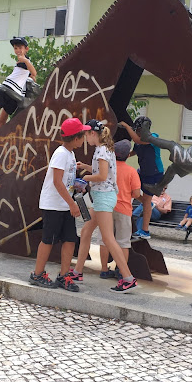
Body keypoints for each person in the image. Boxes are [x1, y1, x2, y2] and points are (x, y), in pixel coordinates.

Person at [72, 120, 138, 293]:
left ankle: (128, 278)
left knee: (108, 238)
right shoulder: (105, 149)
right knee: (86, 232)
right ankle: (77, 271)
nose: (85, 137)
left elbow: (101, 176)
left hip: (102, 197)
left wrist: (83, 179)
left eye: (86, 134)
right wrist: (86, 167)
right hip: (105, 196)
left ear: (92, 134)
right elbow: (105, 172)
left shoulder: (101, 150)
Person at [28, 118, 88, 292]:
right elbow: (56, 182)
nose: (83, 139)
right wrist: (73, 204)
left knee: (70, 239)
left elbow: (64, 180)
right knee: (48, 239)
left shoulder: (69, 153)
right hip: (54, 204)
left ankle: (63, 276)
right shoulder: (61, 153)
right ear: (76, 138)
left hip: (65, 204)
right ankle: (37, 274)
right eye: (82, 135)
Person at [99, 139, 141, 280]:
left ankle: (104, 269)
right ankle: (122, 271)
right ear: (128, 155)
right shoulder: (131, 171)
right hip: (124, 209)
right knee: (123, 242)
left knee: (105, 239)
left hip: (106, 207)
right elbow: (136, 193)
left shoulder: (107, 168)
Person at [118, 117, 165, 239]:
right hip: (143, 172)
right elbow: (133, 152)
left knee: (147, 200)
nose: (136, 132)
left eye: (137, 130)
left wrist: (127, 127)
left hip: (154, 174)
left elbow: (138, 140)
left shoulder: (152, 137)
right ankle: (146, 203)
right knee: (131, 189)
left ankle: (145, 231)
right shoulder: (139, 142)